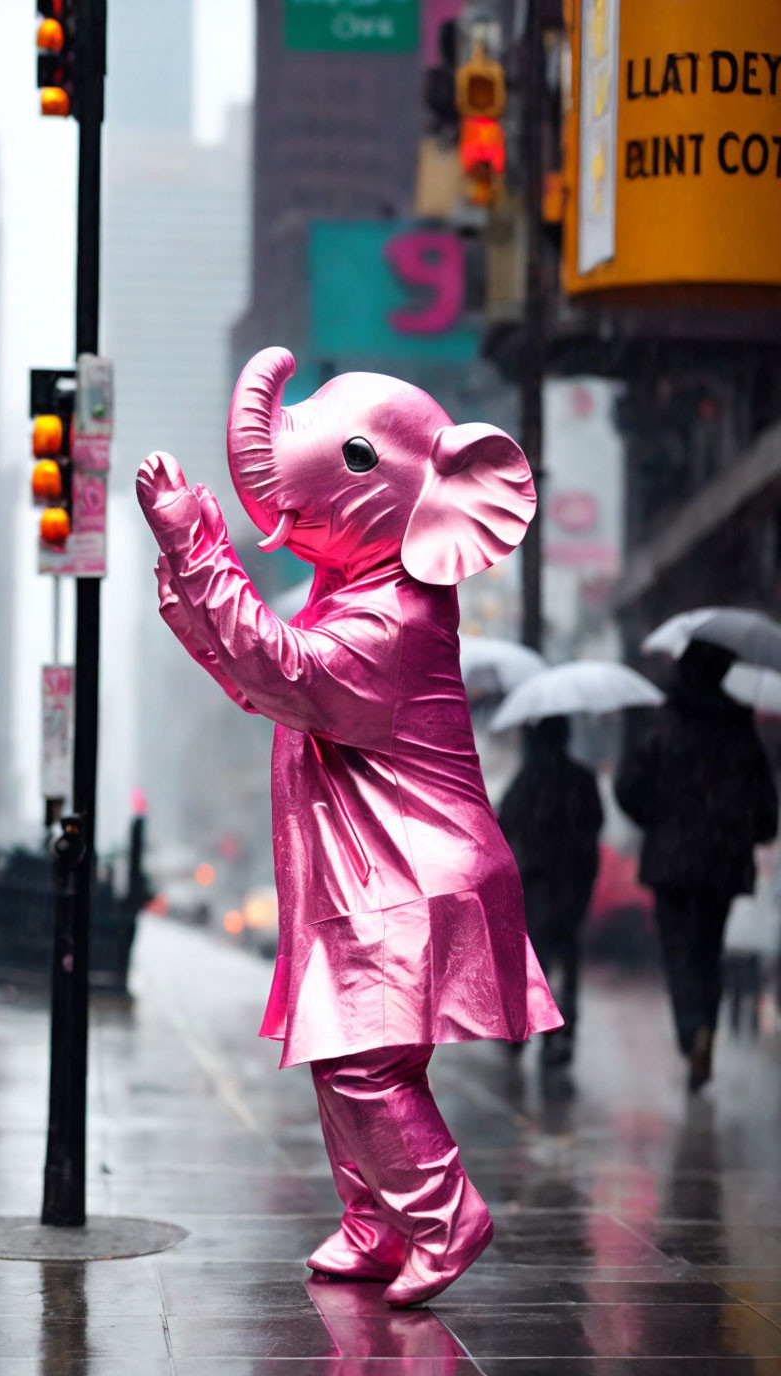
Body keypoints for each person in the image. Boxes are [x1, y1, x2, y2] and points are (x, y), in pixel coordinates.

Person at [136, 347, 562, 1307]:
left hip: (406, 879)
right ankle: (374, 1223)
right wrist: (191, 553)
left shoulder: (395, 622)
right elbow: (254, 673)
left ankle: (444, 1217)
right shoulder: (357, 594)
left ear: (444, 507)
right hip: (365, 876)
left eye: (359, 459)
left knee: (361, 1063)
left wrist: (201, 550)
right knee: (349, 1055)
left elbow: (279, 670)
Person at [614, 640, 778, 1091]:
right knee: (708, 950)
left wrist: (657, 817)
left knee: (679, 953)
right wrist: (748, 828)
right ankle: (705, 1026)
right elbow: (765, 805)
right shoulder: (738, 725)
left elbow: (628, 788)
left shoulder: (664, 724)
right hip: (722, 861)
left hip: (671, 862)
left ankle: (692, 1033)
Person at [497, 716, 604, 1067]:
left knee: (535, 958)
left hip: (538, 881)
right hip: (572, 882)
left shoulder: (529, 779)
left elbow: (505, 820)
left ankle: (530, 1027)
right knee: (568, 953)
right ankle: (565, 1026)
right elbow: (595, 824)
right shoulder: (582, 779)